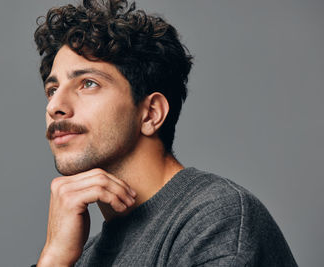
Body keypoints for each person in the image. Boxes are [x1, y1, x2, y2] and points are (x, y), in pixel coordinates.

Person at [31, 0, 297, 266]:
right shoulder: (75, 256)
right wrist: (54, 257)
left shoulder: (217, 218)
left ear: (151, 113)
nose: (55, 106)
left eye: (88, 83)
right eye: (52, 90)